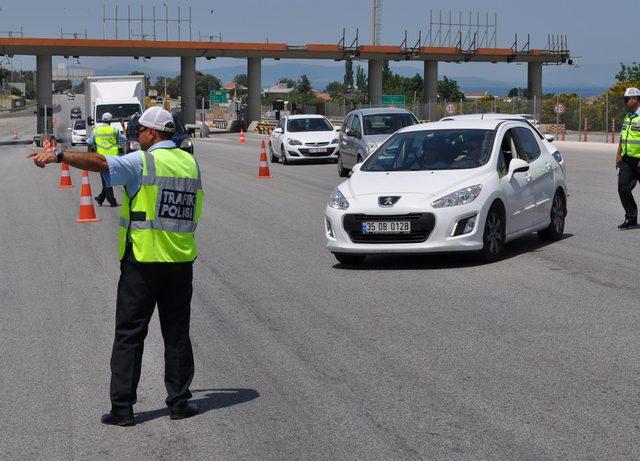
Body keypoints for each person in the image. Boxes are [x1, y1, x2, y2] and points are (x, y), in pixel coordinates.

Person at [28, 106, 203, 426]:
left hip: (143, 262)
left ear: (153, 133)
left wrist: (60, 156)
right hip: (180, 262)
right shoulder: (190, 164)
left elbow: (101, 162)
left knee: (130, 334)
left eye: (140, 132)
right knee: (177, 335)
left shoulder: (144, 161)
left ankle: (123, 408)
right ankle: (179, 402)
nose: (136, 137)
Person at [86, 112, 127, 207]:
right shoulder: (114, 130)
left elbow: (89, 142)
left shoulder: (96, 130)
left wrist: (88, 156)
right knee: (107, 179)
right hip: (114, 159)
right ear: (110, 121)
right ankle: (101, 199)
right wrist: (123, 126)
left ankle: (112, 201)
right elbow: (124, 139)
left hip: (101, 159)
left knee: (106, 180)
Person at [616, 87, 640, 229]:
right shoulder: (627, 116)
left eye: (627, 99)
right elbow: (622, 137)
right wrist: (618, 154)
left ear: (635, 99)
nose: (625, 102)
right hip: (627, 160)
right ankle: (631, 217)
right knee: (623, 188)